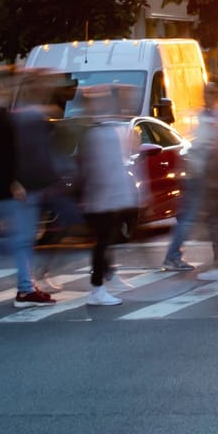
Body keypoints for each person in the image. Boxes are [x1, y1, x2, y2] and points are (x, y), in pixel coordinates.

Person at [0, 72, 59, 308]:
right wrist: (14, 182)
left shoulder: (23, 113)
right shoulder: (10, 115)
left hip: (32, 185)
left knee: (27, 238)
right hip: (23, 186)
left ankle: (28, 285)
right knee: (23, 239)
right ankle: (25, 289)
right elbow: (4, 153)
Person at [76, 86, 142, 306]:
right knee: (102, 242)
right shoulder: (96, 132)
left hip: (107, 197)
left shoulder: (105, 129)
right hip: (101, 198)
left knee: (106, 240)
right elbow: (96, 167)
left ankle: (106, 277)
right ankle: (97, 288)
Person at [168, 81, 218, 279]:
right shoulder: (201, 115)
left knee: (214, 219)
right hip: (201, 173)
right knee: (212, 218)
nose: (207, 96)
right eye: (206, 92)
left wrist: (217, 173)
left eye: (212, 92)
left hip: (213, 174)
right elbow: (195, 143)